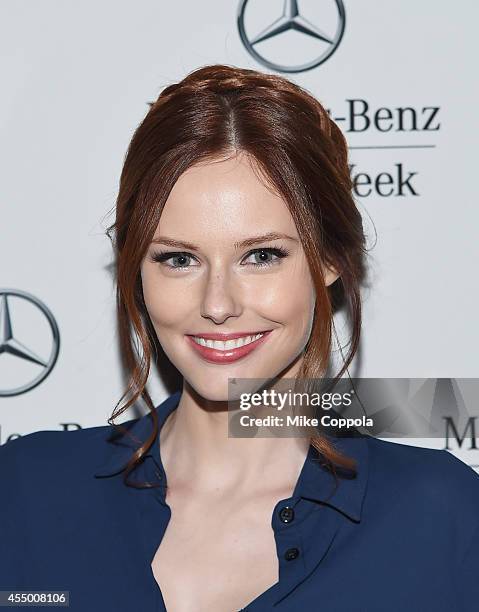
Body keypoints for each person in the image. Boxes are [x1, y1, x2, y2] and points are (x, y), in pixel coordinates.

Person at [1, 64, 478, 612]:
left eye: (261, 256)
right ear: (136, 266)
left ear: (327, 259)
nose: (217, 304)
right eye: (179, 259)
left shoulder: (441, 520)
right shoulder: (23, 494)